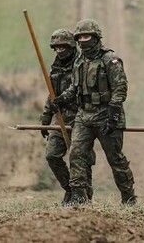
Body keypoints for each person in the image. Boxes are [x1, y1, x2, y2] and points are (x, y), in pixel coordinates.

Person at [49, 19, 136, 206]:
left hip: (107, 117)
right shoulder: (79, 60)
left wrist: (113, 116)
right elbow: (75, 87)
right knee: (76, 155)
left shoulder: (110, 60)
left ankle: (128, 198)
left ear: (96, 37)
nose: (82, 41)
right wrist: (62, 99)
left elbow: (120, 89)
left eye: (86, 36)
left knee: (115, 159)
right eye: (79, 38)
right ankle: (80, 197)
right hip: (84, 116)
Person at [41, 28, 94, 204]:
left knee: (79, 158)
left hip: (82, 116)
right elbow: (52, 93)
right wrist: (46, 117)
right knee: (52, 155)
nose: (58, 50)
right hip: (61, 118)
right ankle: (71, 190)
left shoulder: (83, 64)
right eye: (55, 48)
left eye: (62, 47)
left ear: (71, 46)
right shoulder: (55, 68)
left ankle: (83, 192)